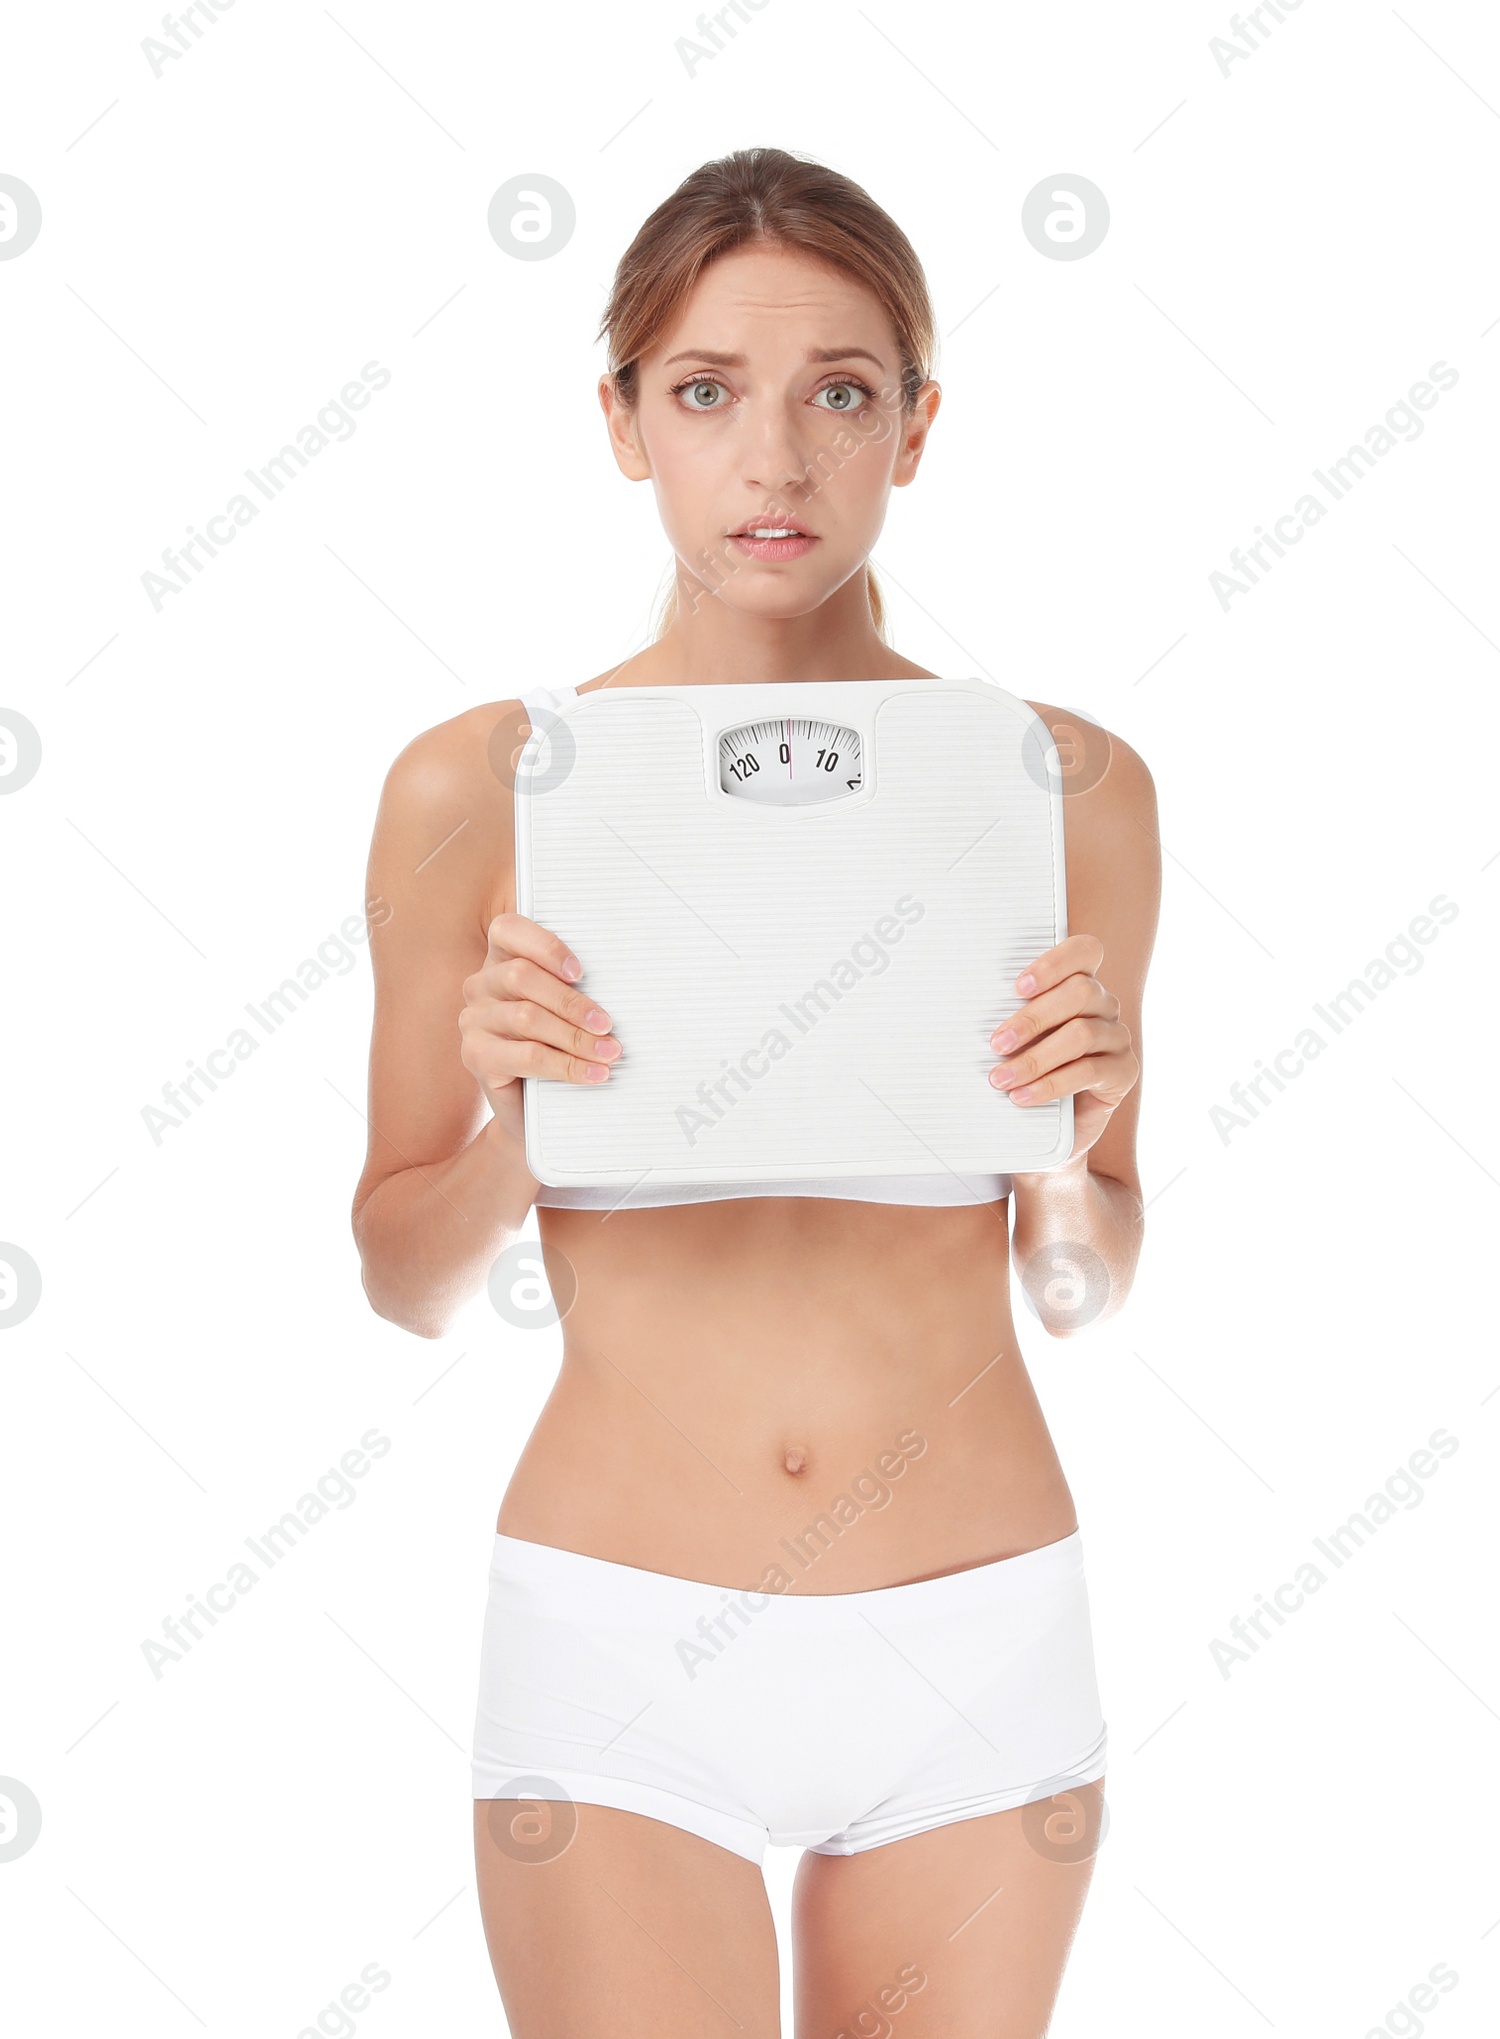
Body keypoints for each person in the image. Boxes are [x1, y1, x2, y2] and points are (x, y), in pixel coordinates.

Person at [352, 145, 1159, 2039]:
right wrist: (520, 1142)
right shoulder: (480, 787)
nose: (777, 461)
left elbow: (1099, 1274)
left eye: (842, 393)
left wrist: (1062, 1172)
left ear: (919, 425)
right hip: (621, 1637)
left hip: (976, 1629)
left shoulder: (1066, 787)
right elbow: (399, 1270)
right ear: (624, 422)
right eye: (708, 391)